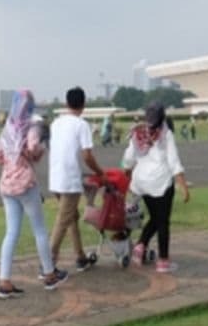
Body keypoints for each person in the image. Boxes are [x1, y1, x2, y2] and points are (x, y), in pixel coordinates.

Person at [0, 90, 68, 298]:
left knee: (11, 233)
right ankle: (49, 274)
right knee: (40, 230)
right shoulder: (32, 125)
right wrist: (34, 154)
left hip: (7, 185)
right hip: (26, 184)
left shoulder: (8, 127)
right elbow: (34, 146)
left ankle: (4, 281)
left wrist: (12, 158)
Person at [122, 102, 189, 272]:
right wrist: (183, 186)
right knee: (163, 222)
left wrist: (126, 175)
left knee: (155, 217)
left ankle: (140, 245)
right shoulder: (166, 133)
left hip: (142, 182)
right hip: (161, 182)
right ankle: (163, 261)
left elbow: (128, 158)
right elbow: (174, 162)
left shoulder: (138, 132)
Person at [49, 86, 107, 272]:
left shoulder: (56, 123)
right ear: (83, 105)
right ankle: (48, 264)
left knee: (71, 217)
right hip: (69, 180)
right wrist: (100, 173)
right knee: (62, 221)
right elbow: (87, 156)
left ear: (66, 104)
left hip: (56, 177)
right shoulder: (82, 125)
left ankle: (80, 256)